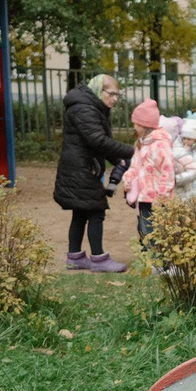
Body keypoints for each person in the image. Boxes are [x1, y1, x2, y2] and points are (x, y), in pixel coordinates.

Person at [54, 72, 134, 273]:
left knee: (80, 212)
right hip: (81, 168)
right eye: (112, 94)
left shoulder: (90, 106)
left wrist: (119, 160)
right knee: (96, 210)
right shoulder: (85, 109)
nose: (115, 99)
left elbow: (97, 144)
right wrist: (133, 151)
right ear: (99, 91)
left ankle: (75, 257)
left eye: (118, 95)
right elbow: (97, 140)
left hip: (81, 166)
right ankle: (98, 259)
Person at [119, 100, 176, 247]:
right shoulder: (142, 143)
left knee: (161, 234)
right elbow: (135, 165)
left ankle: (163, 264)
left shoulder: (160, 144)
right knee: (146, 232)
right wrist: (129, 179)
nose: (134, 127)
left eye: (136, 124)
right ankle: (152, 263)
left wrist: (161, 196)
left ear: (145, 125)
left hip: (158, 199)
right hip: (144, 197)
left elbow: (168, 172)